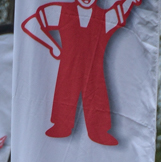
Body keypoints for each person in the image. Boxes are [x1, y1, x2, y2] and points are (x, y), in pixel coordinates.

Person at [21, 0, 142, 146]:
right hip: (68, 68)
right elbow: (31, 23)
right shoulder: (61, 11)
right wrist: (52, 45)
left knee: (96, 97)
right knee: (65, 93)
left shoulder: (103, 18)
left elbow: (119, 11)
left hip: (94, 70)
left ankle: (99, 131)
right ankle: (61, 125)